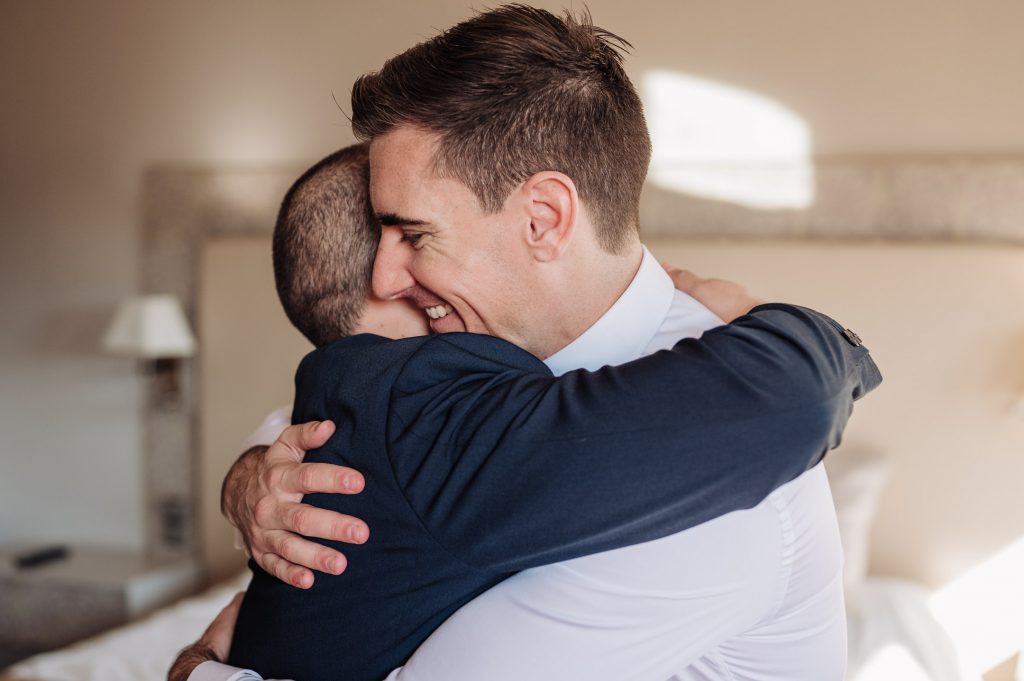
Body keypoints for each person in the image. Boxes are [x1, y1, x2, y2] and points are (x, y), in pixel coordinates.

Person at [185, 6, 880, 681]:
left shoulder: (709, 477)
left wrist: (201, 669)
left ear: (544, 219)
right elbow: (345, 422)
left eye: (414, 234)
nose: (385, 276)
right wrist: (248, 478)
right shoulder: (470, 365)